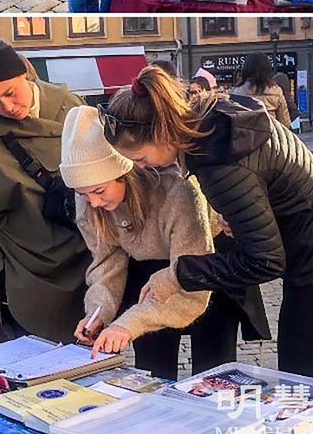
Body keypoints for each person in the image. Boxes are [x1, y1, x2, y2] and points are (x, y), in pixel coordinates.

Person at [103, 65, 313, 380]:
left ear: (161, 133)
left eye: (142, 159)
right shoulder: (215, 120)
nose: (142, 168)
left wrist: (178, 274)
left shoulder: (218, 160)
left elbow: (264, 262)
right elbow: (268, 185)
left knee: (307, 378)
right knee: (306, 375)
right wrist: (241, 221)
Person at [62, 106, 222, 379]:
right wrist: (99, 312)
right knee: (152, 371)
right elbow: (106, 263)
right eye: (82, 194)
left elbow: (194, 281)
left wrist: (128, 324)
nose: (94, 202)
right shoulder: (89, 202)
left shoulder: (177, 193)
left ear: (125, 173)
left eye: (99, 190)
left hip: (206, 267)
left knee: (213, 375)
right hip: (146, 278)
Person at [0, 41, 90, 343]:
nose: (8, 108)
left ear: (26, 74)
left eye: (10, 93)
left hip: (89, 267)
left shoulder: (72, 108)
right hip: (26, 280)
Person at [229, 53, 292, 127]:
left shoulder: (235, 92)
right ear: (268, 70)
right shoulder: (276, 92)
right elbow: (284, 122)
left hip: (245, 136)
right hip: (269, 134)